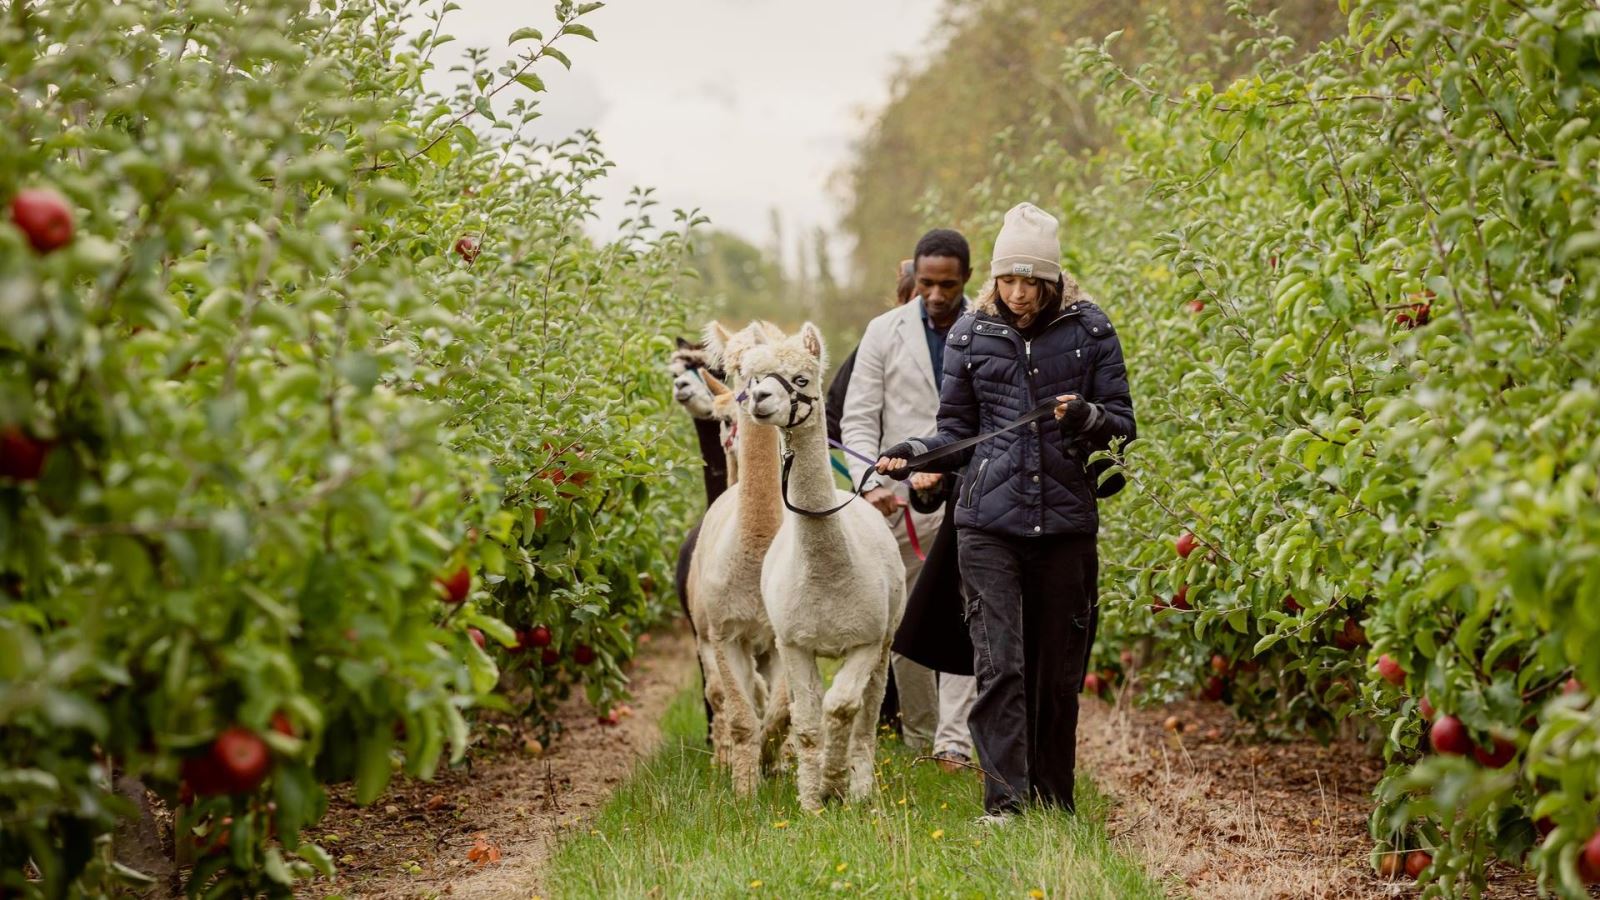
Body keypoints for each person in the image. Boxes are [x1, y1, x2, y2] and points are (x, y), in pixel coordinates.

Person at [875, 202, 1136, 824]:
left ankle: (1054, 798)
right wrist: (912, 455)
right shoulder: (971, 334)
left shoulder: (1093, 331)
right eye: (1007, 280)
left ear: (1052, 279)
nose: (1018, 294)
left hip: (1067, 525)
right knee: (1001, 666)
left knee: (1055, 674)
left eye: (1031, 281)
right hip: (986, 526)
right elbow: (956, 429)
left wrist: (1088, 418)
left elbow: (1122, 426)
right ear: (993, 278)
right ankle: (1005, 804)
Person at [842, 231, 979, 771]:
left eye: (947, 284)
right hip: (896, 500)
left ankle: (954, 742)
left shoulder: (988, 327)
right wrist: (869, 484)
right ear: (914, 278)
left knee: (970, 613)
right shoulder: (883, 332)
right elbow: (858, 416)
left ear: (965, 277)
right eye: (926, 283)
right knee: (904, 617)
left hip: (968, 490)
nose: (937, 294)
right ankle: (921, 735)